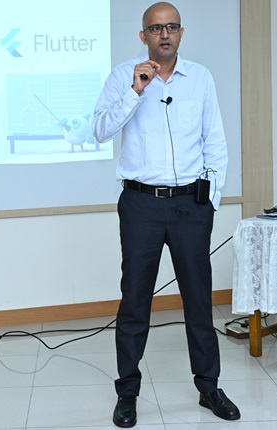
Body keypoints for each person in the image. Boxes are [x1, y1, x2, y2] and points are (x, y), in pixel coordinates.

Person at [91, 2, 239, 427]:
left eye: (171, 27)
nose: (164, 34)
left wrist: (211, 199)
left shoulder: (201, 78)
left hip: (191, 205)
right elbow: (100, 129)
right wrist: (135, 91)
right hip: (141, 205)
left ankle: (208, 387)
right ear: (143, 36)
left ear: (181, 32)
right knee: (135, 299)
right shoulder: (124, 76)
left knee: (198, 299)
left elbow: (215, 142)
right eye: (155, 29)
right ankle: (127, 392)